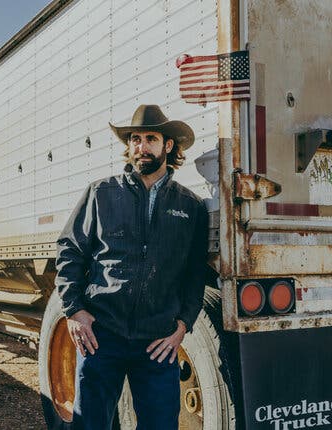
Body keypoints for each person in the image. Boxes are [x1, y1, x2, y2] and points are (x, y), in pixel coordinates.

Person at [55, 104, 209, 429]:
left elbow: (195, 275)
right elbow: (70, 251)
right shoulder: (101, 194)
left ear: (168, 145)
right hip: (102, 335)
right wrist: (73, 310)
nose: (141, 146)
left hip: (157, 344)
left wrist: (182, 327)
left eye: (150, 138)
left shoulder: (189, 207)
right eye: (135, 139)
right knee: (90, 425)